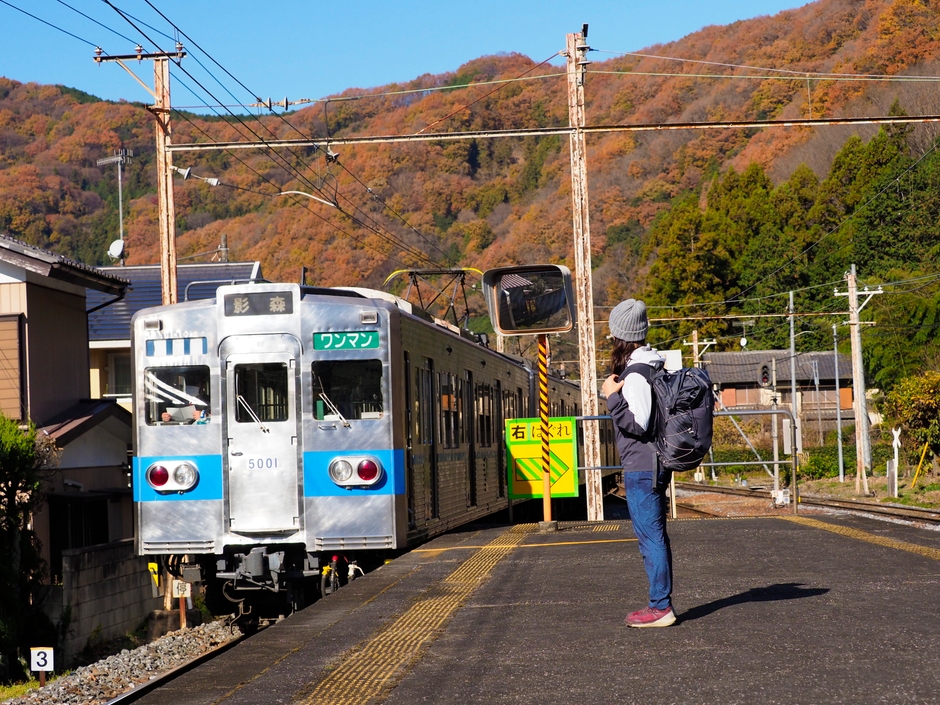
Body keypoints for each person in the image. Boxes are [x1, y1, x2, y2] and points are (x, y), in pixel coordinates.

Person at [601, 298, 676, 628]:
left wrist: (612, 398)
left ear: (620, 336)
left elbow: (638, 422)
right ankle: (660, 603)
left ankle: (660, 607)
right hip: (654, 463)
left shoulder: (636, 374)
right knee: (655, 536)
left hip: (642, 467)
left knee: (651, 538)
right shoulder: (654, 365)